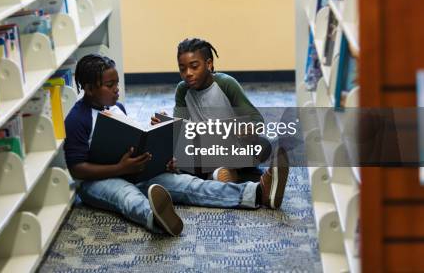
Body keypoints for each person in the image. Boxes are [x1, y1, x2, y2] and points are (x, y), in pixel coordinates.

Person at [64, 53, 289, 236]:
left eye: (117, 83)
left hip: (133, 170)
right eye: (109, 85)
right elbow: (77, 169)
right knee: (127, 196)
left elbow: (132, 143)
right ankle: (156, 219)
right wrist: (120, 169)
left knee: (188, 184)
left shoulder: (117, 108)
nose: (116, 89)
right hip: (99, 181)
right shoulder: (77, 119)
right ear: (89, 88)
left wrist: (161, 160)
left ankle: (257, 193)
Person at [152, 38, 281, 184]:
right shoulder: (182, 90)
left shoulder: (226, 84)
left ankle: (221, 175)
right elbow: (180, 129)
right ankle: (228, 175)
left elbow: (256, 119)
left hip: (233, 146)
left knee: (264, 146)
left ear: (209, 64)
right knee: (172, 157)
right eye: (182, 68)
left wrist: (249, 129)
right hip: (203, 151)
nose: (188, 73)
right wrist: (165, 124)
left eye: (194, 66)